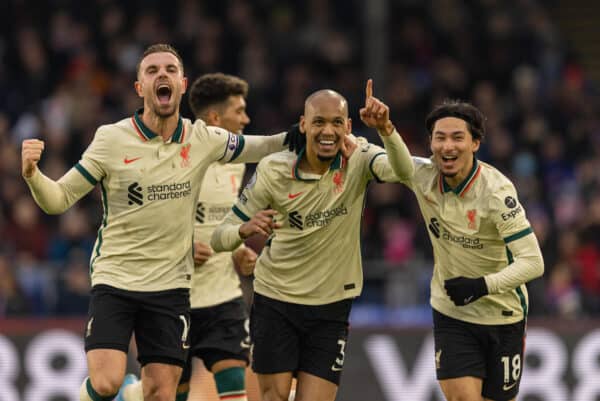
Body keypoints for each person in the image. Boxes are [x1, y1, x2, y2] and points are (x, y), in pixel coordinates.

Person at [20, 44, 303, 401]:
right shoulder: (111, 139)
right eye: (152, 71)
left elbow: (261, 146)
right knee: (107, 383)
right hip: (116, 278)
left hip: (170, 287)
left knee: (160, 392)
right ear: (140, 88)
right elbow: (58, 200)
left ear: (182, 85)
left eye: (170, 69)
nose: (162, 75)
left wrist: (306, 133)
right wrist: (32, 175)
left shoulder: (201, 139)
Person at [210, 79, 414, 401]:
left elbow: (404, 172)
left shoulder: (359, 157)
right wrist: (242, 230)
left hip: (330, 309)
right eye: (318, 122)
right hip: (276, 300)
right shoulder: (274, 170)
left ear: (348, 126)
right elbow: (219, 237)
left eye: (336, 123)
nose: (327, 131)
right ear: (303, 125)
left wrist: (386, 129)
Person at [117, 72, 258, 401]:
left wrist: (237, 250)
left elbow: (222, 223)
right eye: (239, 111)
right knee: (168, 394)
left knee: (234, 381)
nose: (246, 119)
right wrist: (181, 247)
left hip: (222, 298)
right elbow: (135, 226)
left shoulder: (235, 165)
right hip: (171, 297)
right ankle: (132, 395)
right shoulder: (173, 160)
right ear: (214, 118)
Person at [401, 100, 544, 401]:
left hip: (504, 315)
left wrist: (482, 286)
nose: (447, 145)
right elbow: (378, 158)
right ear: (431, 143)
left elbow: (533, 263)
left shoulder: (496, 192)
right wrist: (384, 129)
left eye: (457, 137)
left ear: (475, 143)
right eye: (440, 137)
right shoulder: (423, 175)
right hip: (452, 313)